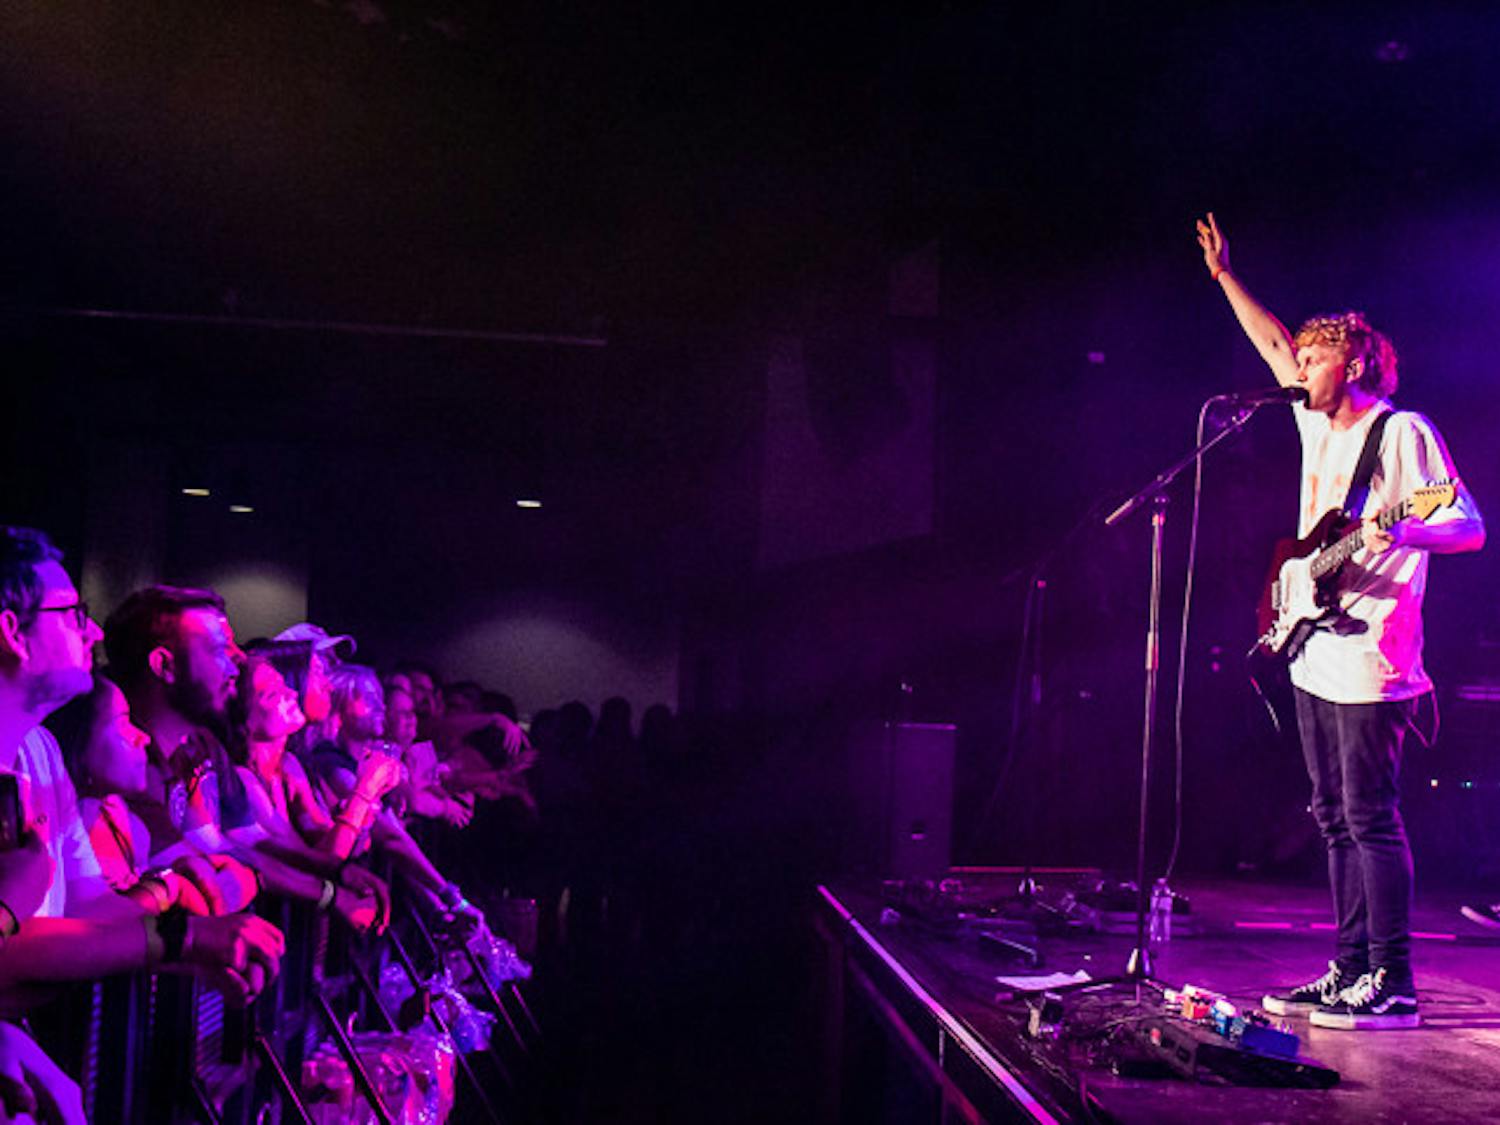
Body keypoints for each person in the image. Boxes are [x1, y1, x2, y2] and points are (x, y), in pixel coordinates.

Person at [1196, 214, 1486, 1029]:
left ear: (1352, 363)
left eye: (1313, 359)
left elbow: (1467, 524)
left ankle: (1393, 979)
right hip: (1311, 643)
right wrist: (1224, 276)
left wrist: (1407, 531)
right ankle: (1350, 966)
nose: (1299, 369)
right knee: (1330, 817)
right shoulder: (1311, 421)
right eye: (1301, 358)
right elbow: (1269, 342)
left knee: (1370, 816)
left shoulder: (1403, 431)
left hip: (1372, 657)